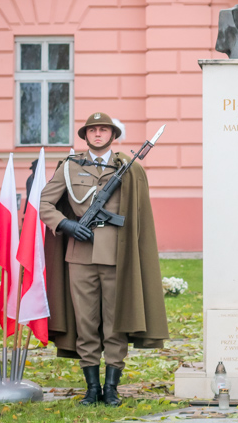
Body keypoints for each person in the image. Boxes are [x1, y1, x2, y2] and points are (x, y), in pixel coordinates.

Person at [40, 112, 169, 406]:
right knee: (85, 323)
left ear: (114, 135)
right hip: (80, 255)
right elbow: (45, 203)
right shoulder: (69, 167)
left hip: (116, 255)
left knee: (114, 322)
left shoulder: (129, 167)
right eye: (92, 130)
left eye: (104, 130)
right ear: (85, 136)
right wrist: (66, 224)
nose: (98, 134)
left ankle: (111, 388)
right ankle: (91, 388)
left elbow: (139, 214)